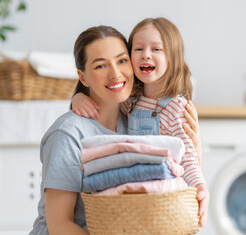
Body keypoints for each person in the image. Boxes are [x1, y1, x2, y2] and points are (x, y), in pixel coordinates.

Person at [30, 25, 202, 235]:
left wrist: (195, 148)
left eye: (122, 61)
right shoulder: (68, 134)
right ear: (83, 78)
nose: (115, 74)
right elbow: (59, 225)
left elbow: (169, 187)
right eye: (100, 66)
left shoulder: (136, 121)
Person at [72, 17, 209, 226]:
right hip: (133, 196)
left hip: (160, 198)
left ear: (173, 57)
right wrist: (80, 97)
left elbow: (188, 157)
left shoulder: (175, 107)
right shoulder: (131, 102)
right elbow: (105, 101)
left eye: (156, 49)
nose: (146, 54)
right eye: (138, 49)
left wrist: (200, 186)